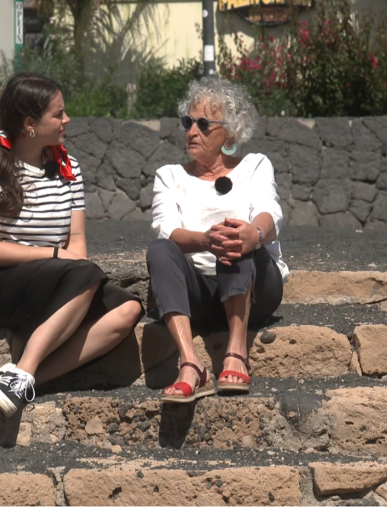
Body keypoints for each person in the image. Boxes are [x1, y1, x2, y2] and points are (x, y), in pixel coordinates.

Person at [0, 72, 144, 417]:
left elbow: (78, 243)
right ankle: (25, 369)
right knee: (84, 272)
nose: (67, 120)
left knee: (129, 309)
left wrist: (67, 259)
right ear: (30, 124)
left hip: (57, 280)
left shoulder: (68, 167)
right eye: (58, 114)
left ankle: (24, 379)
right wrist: (58, 254)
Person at [146, 77, 289, 403]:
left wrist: (250, 234)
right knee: (159, 249)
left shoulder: (254, 166)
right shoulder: (169, 176)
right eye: (188, 122)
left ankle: (236, 352)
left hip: (255, 288)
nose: (192, 131)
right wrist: (206, 240)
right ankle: (190, 363)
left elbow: (270, 215)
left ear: (231, 133)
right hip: (198, 292)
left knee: (235, 235)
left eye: (204, 124)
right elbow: (167, 231)